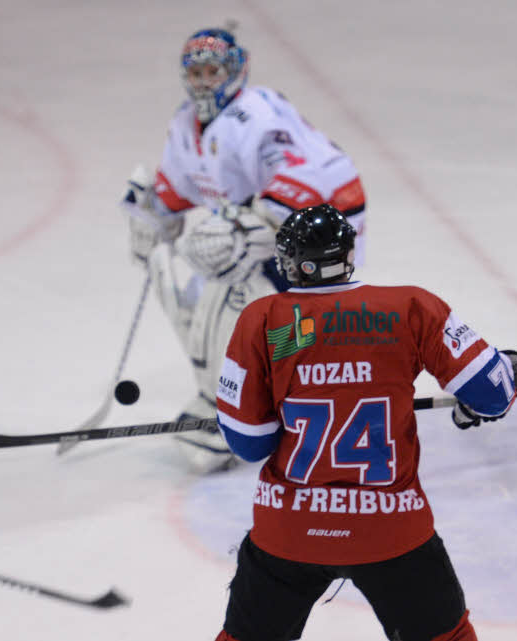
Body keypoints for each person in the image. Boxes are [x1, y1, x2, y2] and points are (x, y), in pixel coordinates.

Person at [212, 204, 517, 641]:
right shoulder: (410, 307)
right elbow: (493, 396)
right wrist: (501, 377)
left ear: (291, 263)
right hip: (391, 531)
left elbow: (249, 443)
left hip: (288, 529)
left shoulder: (266, 321)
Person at [119, 27, 367, 472]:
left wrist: (253, 227)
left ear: (236, 69)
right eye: (195, 71)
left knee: (268, 318)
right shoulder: (185, 123)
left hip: (321, 225)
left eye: (213, 70)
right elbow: (177, 189)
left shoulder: (258, 114)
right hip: (257, 229)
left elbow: (314, 176)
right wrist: (152, 215)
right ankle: (227, 396)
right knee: (195, 304)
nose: (203, 81)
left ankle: (283, 399)